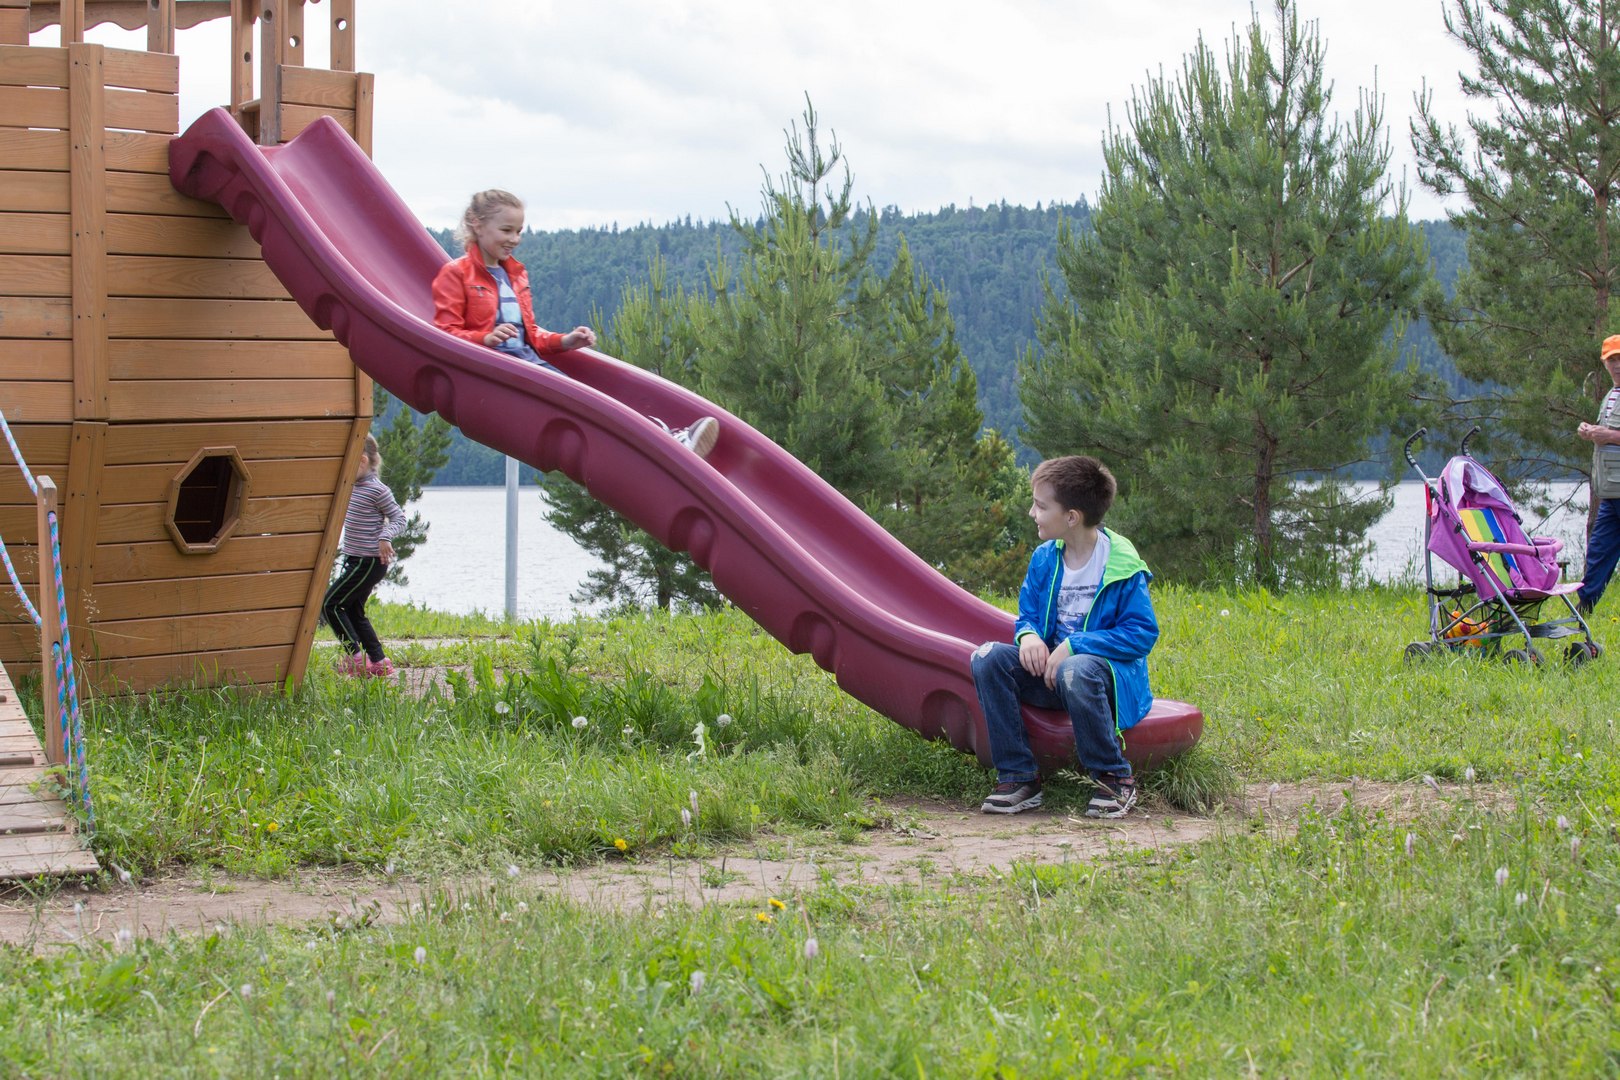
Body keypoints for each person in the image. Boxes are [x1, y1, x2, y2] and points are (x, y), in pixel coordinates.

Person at [432, 189, 719, 458]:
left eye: (519, 231)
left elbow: (529, 334)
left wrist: (566, 341)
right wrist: (485, 339)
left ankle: (665, 438)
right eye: (506, 230)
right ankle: (668, 440)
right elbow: (444, 334)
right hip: (498, 371)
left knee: (597, 397)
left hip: (526, 362)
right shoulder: (456, 274)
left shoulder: (515, 275)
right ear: (477, 225)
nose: (515, 239)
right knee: (589, 405)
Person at [969, 455, 1159, 818]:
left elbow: (1141, 634)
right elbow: (1027, 615)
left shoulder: (1121, 565)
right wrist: (1027, 637)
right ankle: (1019, 776)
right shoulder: (1045, 558)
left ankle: (1113, 777)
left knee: (1076, 668)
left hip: (1102, 682)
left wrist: (1075, 645)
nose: (1032, 513)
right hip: (1051, 674)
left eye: (1041, 506)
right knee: (987, 658)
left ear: (1071, 517)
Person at [323, 433, 406, 678]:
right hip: (355, 559)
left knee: (331, 604)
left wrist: (385, 537)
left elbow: (399, 518)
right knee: (353, 611)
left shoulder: (377, 490)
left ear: (361, 461)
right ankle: (379, 661)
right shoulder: (351, 486)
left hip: (369, 561)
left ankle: (355, 658)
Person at [1577, 334, 1620, 614]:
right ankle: (1584, 611)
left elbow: (1611, 436)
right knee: (1598, 553)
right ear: (1604, 364)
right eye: (1612, 360)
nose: (1617, 365)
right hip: (1610, 493)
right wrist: (1589, 430)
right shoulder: (1610, 396)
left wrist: (1606, 436)